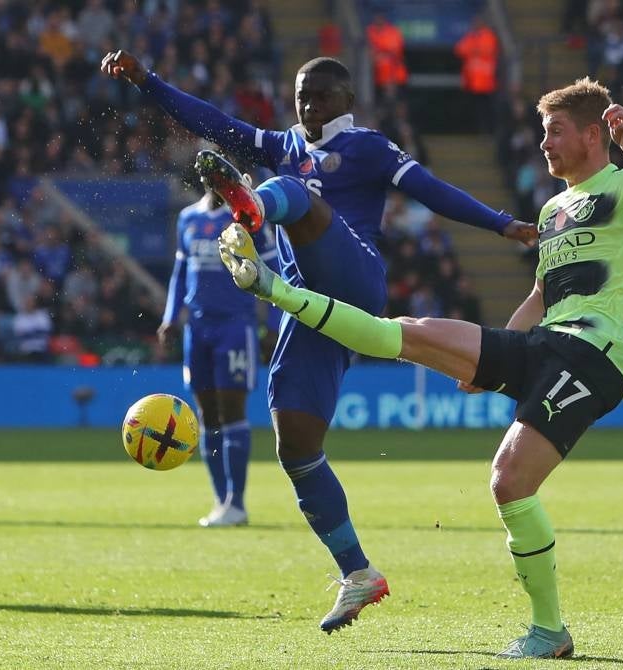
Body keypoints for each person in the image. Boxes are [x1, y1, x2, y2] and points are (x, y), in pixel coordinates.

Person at [213, 77, 623, 658]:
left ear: (594, 135)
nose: (543, 144)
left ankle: (550, 632)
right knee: (410, 333)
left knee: (509, 482)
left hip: (596, 357)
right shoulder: (552, 210)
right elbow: (544, 294)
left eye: (555, 132)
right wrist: (489, 357)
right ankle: (272, 288)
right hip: (546, 344)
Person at [101, 50, 536, 633]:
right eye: (303, 95)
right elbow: (212, 123)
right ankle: (357, 571)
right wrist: (148, 83)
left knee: (293, 192)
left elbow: (432, 190)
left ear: (347, 101)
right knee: (294, 445)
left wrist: (500, 223)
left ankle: (251, 211)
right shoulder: (284, 142)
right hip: (308, 308)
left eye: (323, 96)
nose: (310, 106)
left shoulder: (369, 148)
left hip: (356, 279)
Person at [159, 185, 279, 527]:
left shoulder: (246, 219)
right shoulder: (188, 218)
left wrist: (272, 322)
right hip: (197, 329)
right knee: (206, 414)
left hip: (235, 326)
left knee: (232, 409)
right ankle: (220, 501)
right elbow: (180, 274)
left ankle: (237, 502)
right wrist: (170, 318)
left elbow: (272, 266)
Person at [454, 15, 500, 132]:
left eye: (478, 22)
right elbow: (459, 49)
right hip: (472, 82)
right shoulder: (471, 36)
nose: (476, 24)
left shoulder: (488, 35)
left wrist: (473, 48)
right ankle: (475, 130)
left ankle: (488, 131)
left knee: (487, 110)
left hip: (486, 83)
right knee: (473, 110)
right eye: (474, 22)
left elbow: (487, 50)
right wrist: (474, 48)